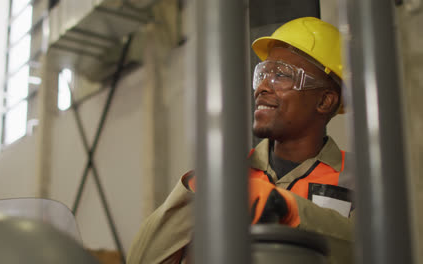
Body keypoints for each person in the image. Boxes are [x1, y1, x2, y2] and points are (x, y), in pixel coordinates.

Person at [127, 17, 354, 264]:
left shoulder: (361, 179)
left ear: (325, 101)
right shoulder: (229, 177)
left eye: (282, 74)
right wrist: (191, 194)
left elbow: (379, 251)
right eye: (263, 73)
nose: (262, 87)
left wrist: (289, 208)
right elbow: (142, 259)